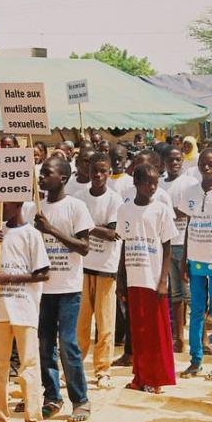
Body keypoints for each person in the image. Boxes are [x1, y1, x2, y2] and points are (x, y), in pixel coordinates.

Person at [0, 201, 50, 422]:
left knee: (28, 364)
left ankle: (33, 420)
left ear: (16, 204)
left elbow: (43, 273)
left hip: (24, 308)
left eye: (4, 205)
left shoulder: (31, 234)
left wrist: (9, 278)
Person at [35, 156, 92, 422]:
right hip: (43, 289)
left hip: (68, 288)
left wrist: (51, 230)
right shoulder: (36, 207)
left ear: (63, 178)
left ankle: (80, 400)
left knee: (67, 344)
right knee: (45, 345)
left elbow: (83, 246)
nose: (42, 178)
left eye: (47, 173)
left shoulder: (76, 207)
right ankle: (52, 396)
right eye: (42, 173)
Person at [116, 164, 177, 393]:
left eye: (155, 183)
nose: (152, 187)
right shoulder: (125, 210)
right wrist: (120, 277)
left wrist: (163, 280)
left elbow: (167, 246)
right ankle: (140, 376)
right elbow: (123, 243)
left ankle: (157, 378)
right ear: (136, 183)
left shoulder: (161, 210)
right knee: (138, 331)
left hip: (153, 279)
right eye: (147, 182)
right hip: (134, 276)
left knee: (157, 332)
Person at [178, 149, 212, 381]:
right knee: (196, 311)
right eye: (203, 163)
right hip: (195, 259)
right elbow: (189, 225)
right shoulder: (189, 191)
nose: (207, 168)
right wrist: (184, 259)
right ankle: (195, 360)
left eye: (211, 164)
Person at [74, 153, 123, 388]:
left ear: (110, 171)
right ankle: (77, 365)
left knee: (105, 323)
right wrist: (97, 228)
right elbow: (75, 229)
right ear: (87, 170)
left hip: (106, 267)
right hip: (82, 267)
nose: (98, 175)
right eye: (95, 170)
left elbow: (113, 234)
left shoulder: (115, 199)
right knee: (81, 323)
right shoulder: (79, 198)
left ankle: (103, 369)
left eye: (103, 171)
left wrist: (87, 226)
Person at [159, 147, 198, 353]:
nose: (174, 163)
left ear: (182, 160)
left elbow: (188, 211)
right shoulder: (159, 184)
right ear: (164, 162)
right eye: (170, 160)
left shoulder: (190, 183)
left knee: (190, 293)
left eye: (177, 159)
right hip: (166, 243)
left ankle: (201, 338)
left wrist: (169, 213)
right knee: (175, 295)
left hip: (185, 243)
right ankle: (179, 338)